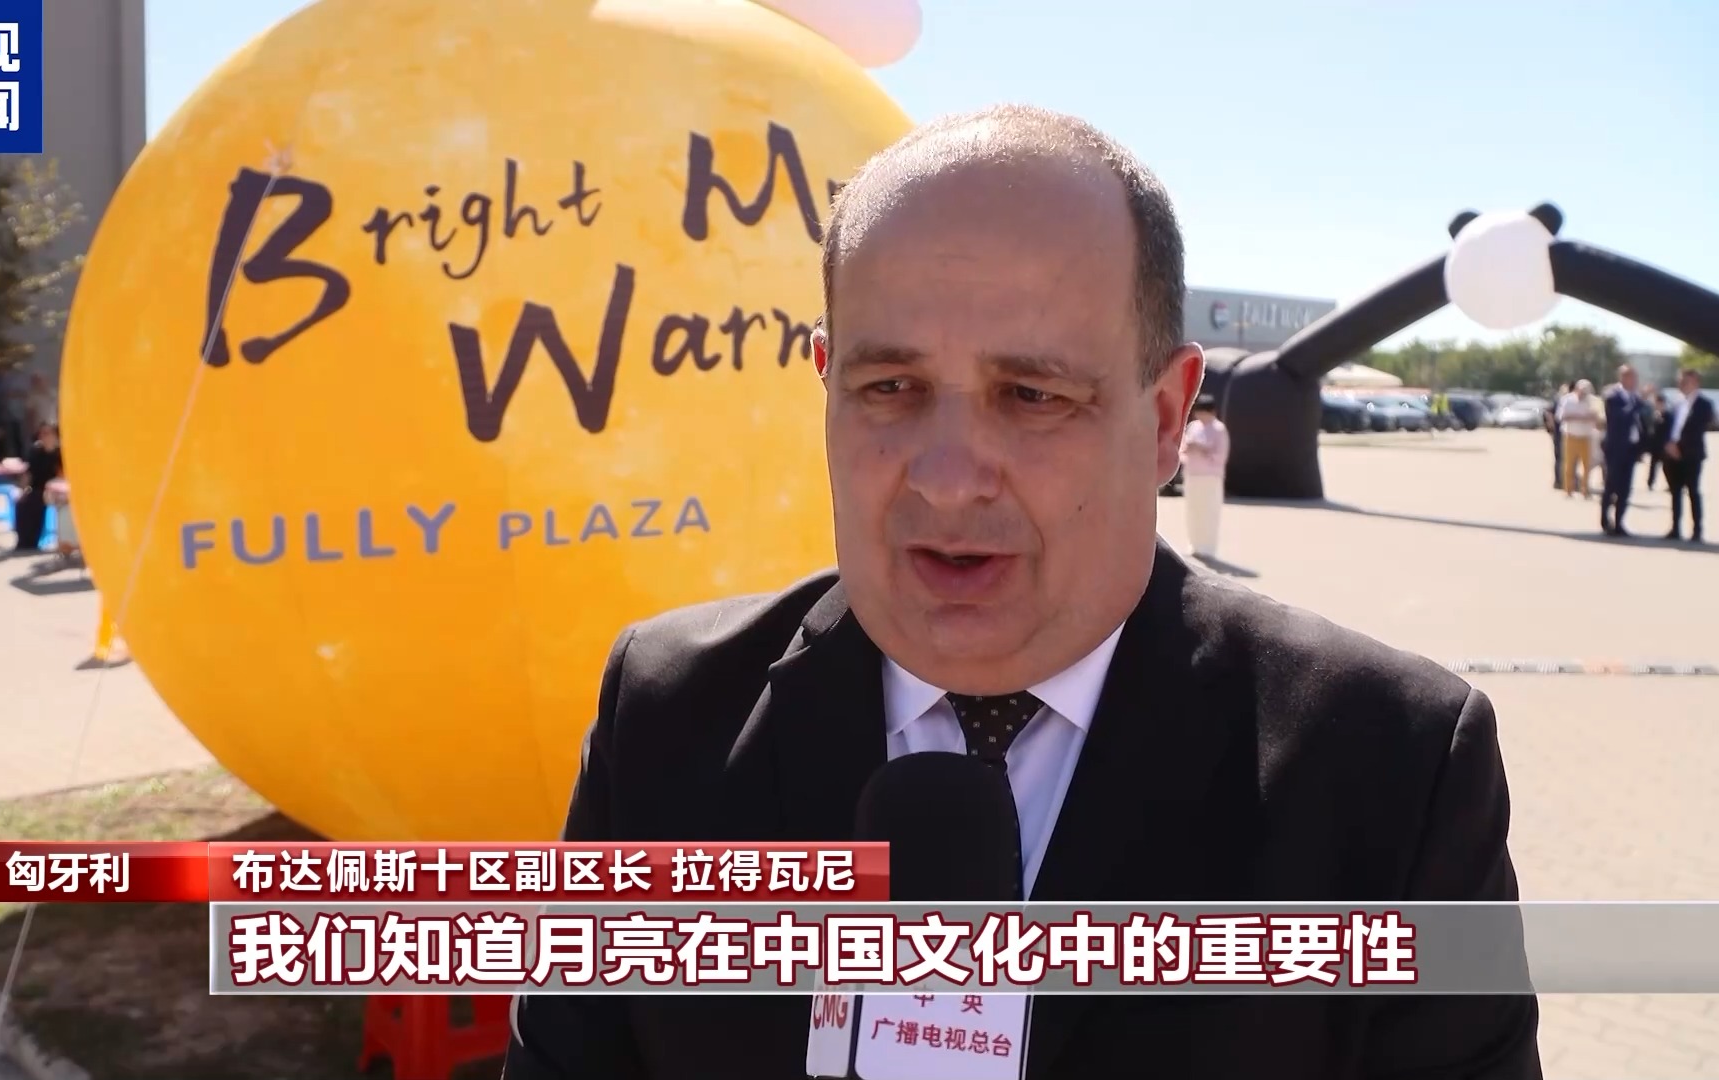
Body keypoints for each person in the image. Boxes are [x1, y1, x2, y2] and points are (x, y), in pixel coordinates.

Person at [504, 105, 1538, 1080]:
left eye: (1033, 395)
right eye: (889, 388)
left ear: (1167, 420)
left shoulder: (1392, 768)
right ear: (825, 384)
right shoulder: (668, 713)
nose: (949, 478)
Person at [1661, 368, 1712, 543]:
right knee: (1675, 492)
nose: (1681, 384)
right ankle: (1675, 528)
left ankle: (1697, 530)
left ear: (1696, 382)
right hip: (1672, 454)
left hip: (1691, 454)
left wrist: (1679, 446)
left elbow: (1696, 429)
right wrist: (1668, 444)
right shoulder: (1676, 402)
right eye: (1680, 381)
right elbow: (1667, 425)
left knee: (1693, 492)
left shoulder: (1704, 404)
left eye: (1685, 381)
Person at [1179, 394, 1229, 559]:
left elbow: (1220, 455)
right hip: (1192, 473)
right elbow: (1183, 448)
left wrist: (1201, 449)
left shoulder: (1219, 429)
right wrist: (1187, 450)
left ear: (1212, 412)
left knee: (1209, 511)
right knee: (1193, 510)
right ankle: (1194, 544)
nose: (1201, 416)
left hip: (1210, 476)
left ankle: (1208, 547)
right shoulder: (1193, 427)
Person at [1599, 365, 1644, 536]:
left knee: (1625, 488)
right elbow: (1621, 417)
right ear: (1623, 378)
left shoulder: (1634, 398)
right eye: (1632, 378)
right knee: (1611, 486)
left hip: (1631, 449)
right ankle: (1605, 521)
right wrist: (1639, 403)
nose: (1635, 382)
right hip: (1615, 449)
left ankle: (1619, 522)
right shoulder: (1613, 396)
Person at [13, 420, 64, 549]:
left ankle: (33, 538)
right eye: (41, 434)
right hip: (36, 488)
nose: (43, 437)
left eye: (47, 433)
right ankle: (23, 540)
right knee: (22, 503)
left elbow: (62, 476)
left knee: (36, 500)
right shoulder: (36, 452)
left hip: (54, 489)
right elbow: (29, 474)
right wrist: (22, 490)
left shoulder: (60, 454)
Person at [1555, 379, 1596, 497]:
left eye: (1586, 392)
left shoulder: (1591, 401)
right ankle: (1568, 490)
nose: (1584, 394)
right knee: (1569, 464)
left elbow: (1595, 417)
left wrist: (1582, 418)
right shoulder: (1567, 400)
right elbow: (1561, 416)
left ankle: (1585, 490)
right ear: (1577, 389)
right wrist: (1580, 417)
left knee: (1587, 465)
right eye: (1582, 391)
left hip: (1586, 436)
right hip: (1570, 435)